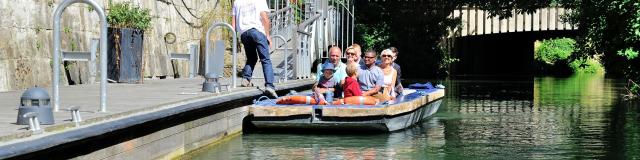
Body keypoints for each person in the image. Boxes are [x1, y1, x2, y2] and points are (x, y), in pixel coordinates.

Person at [231, 0, 277, 97]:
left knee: (252, 57)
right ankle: (269, 86)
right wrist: (268, 35)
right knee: (265, 59)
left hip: (244, 33)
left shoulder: (237, 2)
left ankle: (246, 79)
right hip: (257, 31)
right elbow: (264, 18)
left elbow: (233, 23)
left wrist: (235, 37)